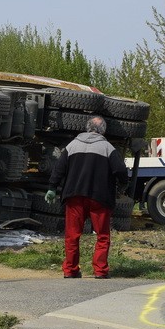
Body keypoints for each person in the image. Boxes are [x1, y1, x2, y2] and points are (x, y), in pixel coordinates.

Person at [45, 116, 128, 279]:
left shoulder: (72, 145)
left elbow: (58, 168)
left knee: (72, 235)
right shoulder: (108, 148)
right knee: (102, 236)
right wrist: (123, 185)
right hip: (100, 198)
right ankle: (100, 271)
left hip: (74, 196)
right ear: (103, 130)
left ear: (87, 127)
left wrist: (52, 188)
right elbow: (121, 171)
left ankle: (70, 270)